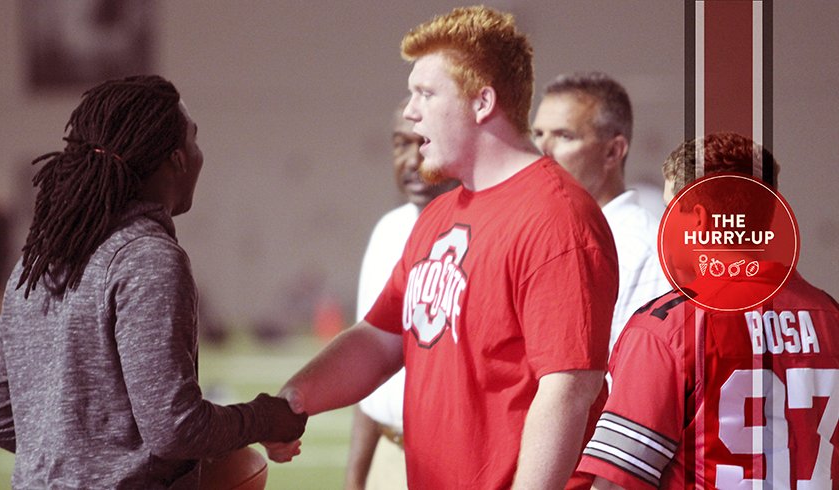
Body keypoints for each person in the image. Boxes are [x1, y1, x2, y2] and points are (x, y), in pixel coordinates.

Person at [265, 6, 618, 489]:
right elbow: (379, 339)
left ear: (482, 102)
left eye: (426, 94)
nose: (411, 112)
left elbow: (567, 392)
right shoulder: (437, 215)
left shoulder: (557, 217)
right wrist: (297, 398)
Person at [0, 75, 307, 489]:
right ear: (178, 159)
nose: (201, 154)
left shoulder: (40, 259)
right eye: (194, 141)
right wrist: (265, 417)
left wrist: (81, 460)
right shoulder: (147, 257)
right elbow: (174, 428)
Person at [577, 132, 839, 488]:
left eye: (670, 211)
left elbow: (615, 483)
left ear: (698, 219)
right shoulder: (830, 317)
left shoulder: (667, 327)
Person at [344, 98, 458, 490]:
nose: (411, 159)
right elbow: (370, 365)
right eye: (399, 144)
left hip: (458, 464)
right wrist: (356, 479)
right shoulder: (388, 231)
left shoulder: (492, 233)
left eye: (423, 142)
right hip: (390, 456)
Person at [533, 72, 669, 354]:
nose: (542, 151)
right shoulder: (538, 241)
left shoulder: (645, 252)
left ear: (612, 152)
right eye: (537, 134)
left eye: (564, 136)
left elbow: (641, 382)